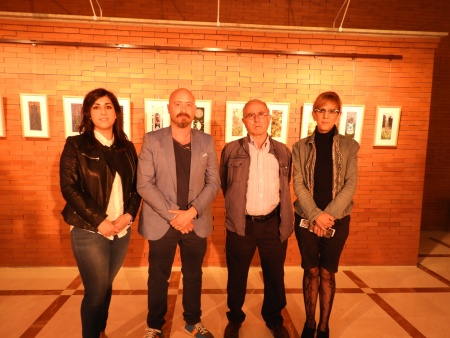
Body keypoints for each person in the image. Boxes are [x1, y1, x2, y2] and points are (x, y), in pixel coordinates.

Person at [137, 88, 220, 338]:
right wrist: (175, 216)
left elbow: (213, 182)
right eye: (178, 104)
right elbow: (144, 184)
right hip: (162, 222)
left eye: (188, 104)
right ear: (169, 108)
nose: (183, 109)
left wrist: (191, 212)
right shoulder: (152, 139)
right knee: (158, 277)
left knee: (193, 274)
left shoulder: (206, 141)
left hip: (196, 221)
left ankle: (193, 322)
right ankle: (154, 326)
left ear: (195, 110)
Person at [59, 88, 142, 338]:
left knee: (106, 287)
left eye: (108, 106)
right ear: (88, 113)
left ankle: (101, 331)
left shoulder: (126, 148)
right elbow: (69, 188)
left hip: (121, 229)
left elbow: (138, 187)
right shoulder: (76, 144)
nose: (103, 111)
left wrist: (128, 216)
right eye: (96, 107)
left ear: (117, 113)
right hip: (88, 230)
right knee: (95, 292)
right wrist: (100, 221)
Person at [220, 99, 293, 338]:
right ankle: (235, 318)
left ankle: (273, 318)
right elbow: (225, 184)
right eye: (251, 115)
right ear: (243, 121)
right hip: (242, 224)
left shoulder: (282, 151)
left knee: (274, 273)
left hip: (273, 224)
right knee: (237, 274)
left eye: (261, 114)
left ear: (269, 117)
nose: (257, 119)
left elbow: (286, 184)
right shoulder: (231, 150)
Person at [292, 91, 359, 338]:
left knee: (327, 272)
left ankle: (323, 326)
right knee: (310, 270)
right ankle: (310, 323)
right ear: (314, 114)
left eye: (332, 111)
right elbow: (298, 184)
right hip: (305, 218)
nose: (326, 115)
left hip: (337, 220)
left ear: (339, 115)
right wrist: (314, 215)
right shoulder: (299, 147)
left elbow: (350, 184)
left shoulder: (350, 146)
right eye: (321, 110)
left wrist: (327, 216)